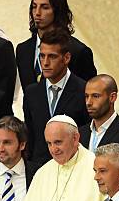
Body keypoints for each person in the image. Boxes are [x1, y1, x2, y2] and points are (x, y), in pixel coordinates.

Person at [23, 29, 89, 163]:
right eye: (42, 56)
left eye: (52, 56)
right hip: (40, 169)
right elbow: (31, 136)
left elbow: (87, 134)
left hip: (74, 166)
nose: (45, 63)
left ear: (66, 58)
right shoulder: (31, 92)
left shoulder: (84, 90)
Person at [16, 0, 97, 91]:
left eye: (45, 7)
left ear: (57, 11)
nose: (37, 13)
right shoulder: (23, 50)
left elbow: (90, 94)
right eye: (34, 7)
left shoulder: (78, 51)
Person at [79, 75, 119, 168]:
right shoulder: (80, 133)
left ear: (112, 97)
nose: (88, 102)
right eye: (86, 96)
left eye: (95, 96)